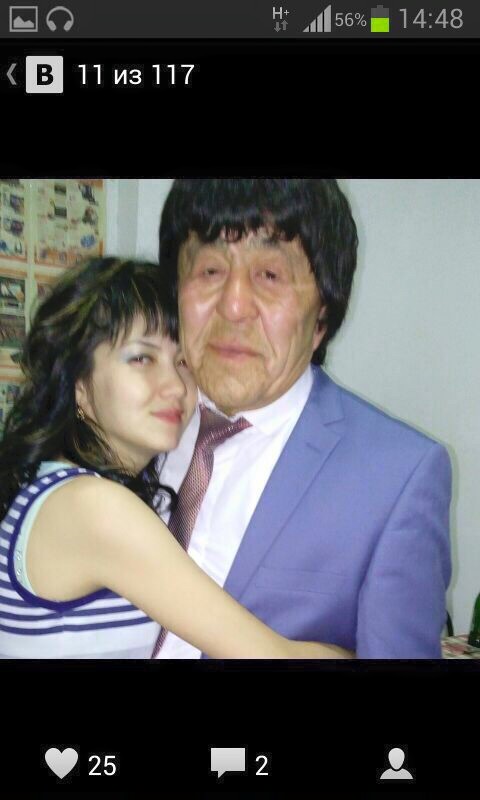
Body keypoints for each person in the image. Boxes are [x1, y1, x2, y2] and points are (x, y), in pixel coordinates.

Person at [0, 256, 352, 659]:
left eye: (183, 361)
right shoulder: (92, 507)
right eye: (142, 358)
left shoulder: (64, 488)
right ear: (78, 382)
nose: (175, 386)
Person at [157, 178, 452, 659]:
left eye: (270, 275)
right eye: (209, 269)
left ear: (322, 315)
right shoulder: (120, 422)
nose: (234, 305)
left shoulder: (398, 478)